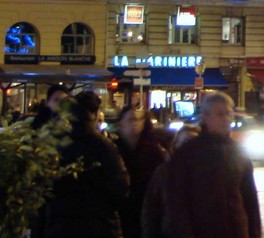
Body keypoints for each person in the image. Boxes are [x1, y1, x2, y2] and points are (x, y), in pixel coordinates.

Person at [162, 92, 262, 238]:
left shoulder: (238, 153)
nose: (226, 119)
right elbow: (177, 204)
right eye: (220, 114)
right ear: (206, 116)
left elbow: (250, 201)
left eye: (229, 114)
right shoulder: (188, 154)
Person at [45, 90, 130, 238]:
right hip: (99, 224)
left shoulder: (58, 142)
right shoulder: (103, 146)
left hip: (62, 224)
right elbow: (120, 186)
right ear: (96, 113)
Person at [115, 105, 168, 238]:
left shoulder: (154, 151)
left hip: (146, 210)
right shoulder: (113, 150)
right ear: (121, 123)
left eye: (139, 120)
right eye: (131, 119)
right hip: (121, 211)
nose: (135, 124)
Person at [142, 124, 200, 238]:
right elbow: (151, 211)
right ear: (176, 145)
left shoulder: (209, 173)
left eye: (194, 143)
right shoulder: (165, 172)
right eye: (185, 142)